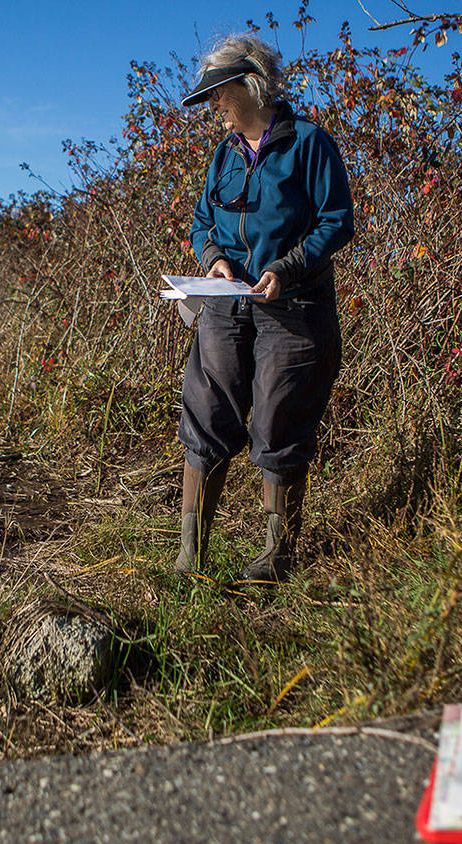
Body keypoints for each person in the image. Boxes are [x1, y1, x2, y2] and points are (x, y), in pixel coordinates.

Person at [174, 34, 354, 584]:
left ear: (249, 85)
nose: (214, 108)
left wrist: (288, 267)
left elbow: (336, 220)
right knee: (206, 413)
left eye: (219, 95)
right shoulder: (223, 156)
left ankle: (277, 556)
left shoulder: (309, 143)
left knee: (280, 420)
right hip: (229, 306)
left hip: (295, 306)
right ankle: (191, 554)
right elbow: (202, 221)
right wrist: (213, 260)